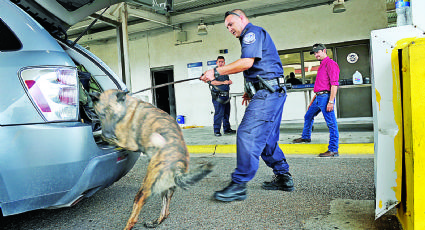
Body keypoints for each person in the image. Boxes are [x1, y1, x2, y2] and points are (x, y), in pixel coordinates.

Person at [200, 9, 294, 202]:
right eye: (227, 27)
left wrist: (215, 72)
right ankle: (283, 177)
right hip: (271, 91)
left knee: (247, 133)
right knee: (266, 138)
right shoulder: (253, 35)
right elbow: (258, 67)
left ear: (242, 19)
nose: (229, 29)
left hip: (268, 93)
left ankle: (239, 185)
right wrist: (249, 90)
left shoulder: (251, 33)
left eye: (231, 24)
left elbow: (246, 63)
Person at [293, 43, 340, 157]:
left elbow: (334, 85)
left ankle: (333, 149)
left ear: (324, 51)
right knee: (308, 116)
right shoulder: (321, 65)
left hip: (325, 98)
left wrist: (331, 101)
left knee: (331, 124)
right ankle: (306, 137)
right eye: (314, 53)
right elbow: (320, 86)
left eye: (318, 52)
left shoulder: (331, 64)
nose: (316, 55)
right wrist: (312, 102)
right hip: (318, 97)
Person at [209, 56, 236, 137]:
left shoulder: (225, 71)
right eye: (219, 61)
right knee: (219, 114)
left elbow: (226, 82)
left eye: (222, 62)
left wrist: (229, 82)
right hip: (218, 97)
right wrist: (224, 82)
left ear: (224, 63)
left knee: (226, 113)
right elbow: (213, 82)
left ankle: (227, 129)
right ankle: (217, 131)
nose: (221, 63)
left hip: (226, 96)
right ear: (216, 62)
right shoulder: (213, 71)